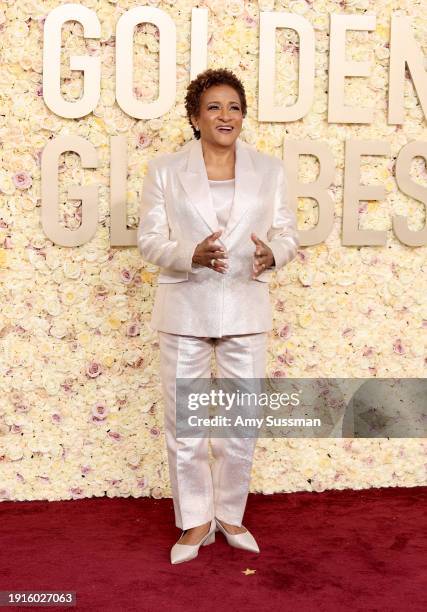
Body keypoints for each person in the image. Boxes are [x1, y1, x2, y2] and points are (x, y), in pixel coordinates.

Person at [137, 68, 300, 564]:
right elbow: (148, 241)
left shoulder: (270, 170)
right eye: (213, 107)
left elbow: (289, 234)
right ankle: (195, 521)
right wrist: (190, 254)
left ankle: (230, 514)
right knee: (184, 424)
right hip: (185, 306)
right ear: (194, 117)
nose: (225, 115)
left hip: (246, 307)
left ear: (243, 116)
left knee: (241, 423)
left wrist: (275, 253)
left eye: (233, 107)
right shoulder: (165, 170)